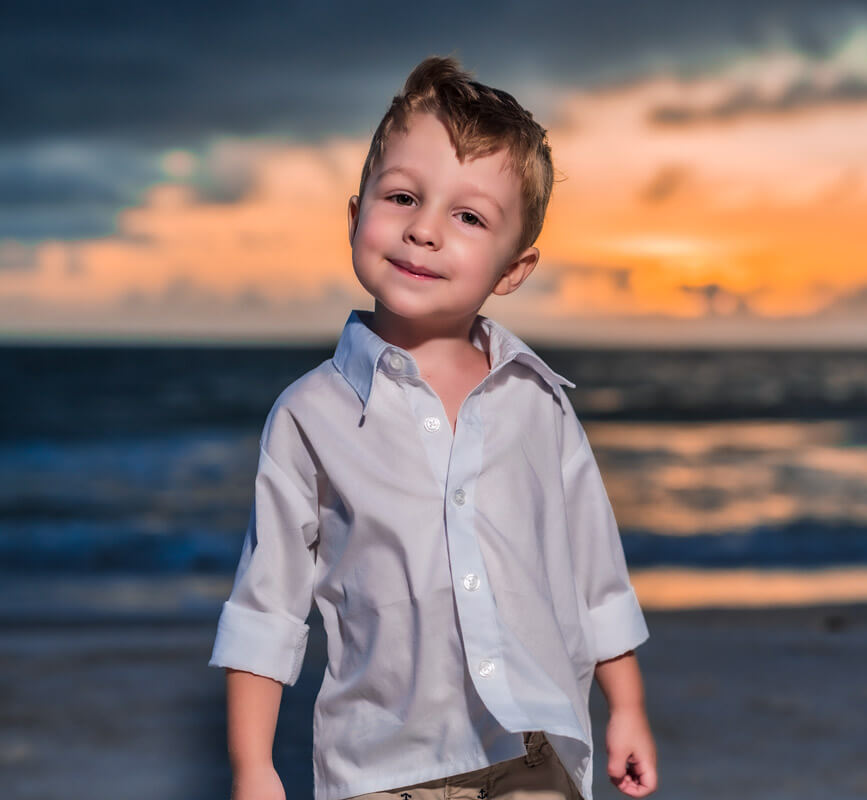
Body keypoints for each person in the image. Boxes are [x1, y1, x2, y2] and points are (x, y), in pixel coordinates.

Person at [206, 55, 657, 800]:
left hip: (534, 754)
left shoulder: (537, 402)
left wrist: (628, 707)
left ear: (513, 268)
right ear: (356, 217)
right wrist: (253, 767)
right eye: (404, 197)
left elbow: (594, 569)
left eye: (469, 217)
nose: (423, 231)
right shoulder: (309, 416)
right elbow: (267, 607)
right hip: (384, 770)